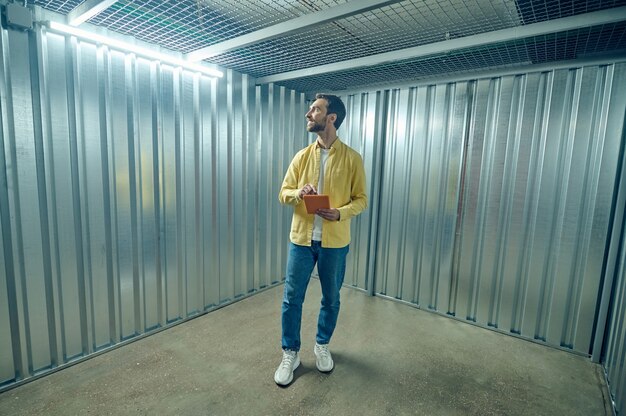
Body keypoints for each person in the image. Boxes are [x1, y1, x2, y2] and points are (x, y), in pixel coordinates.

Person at [274, 93, 368, 386]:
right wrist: (298, 192)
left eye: (315, 110)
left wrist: (339, 213)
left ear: (331, 118)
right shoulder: (301, 157)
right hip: (301, 241)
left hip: (335, 242)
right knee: (292, 300)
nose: (308, 114)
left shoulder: (352, 158)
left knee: (331, 298)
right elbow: (283, 193)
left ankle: (322, 345)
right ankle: (290, 352)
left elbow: (361, 200)